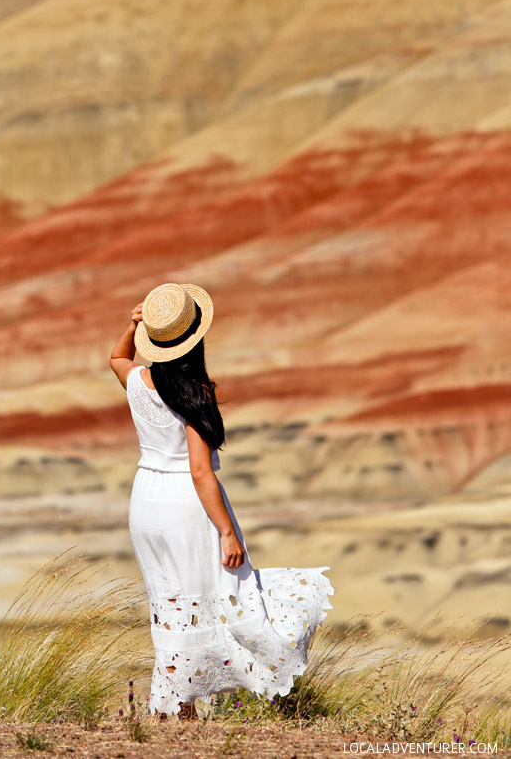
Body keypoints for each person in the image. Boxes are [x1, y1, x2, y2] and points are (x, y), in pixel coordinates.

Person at [110, 281, 334, 721]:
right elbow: (199, 471)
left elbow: (117, 358)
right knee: (213, 595)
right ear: (196, 338)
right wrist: (228, 533)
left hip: (146, 503)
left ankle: (176, 706)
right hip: (185, 506)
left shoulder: (138, 381)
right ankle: (190, 701)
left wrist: (131, 325)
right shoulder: (194, 393)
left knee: (170, 602)